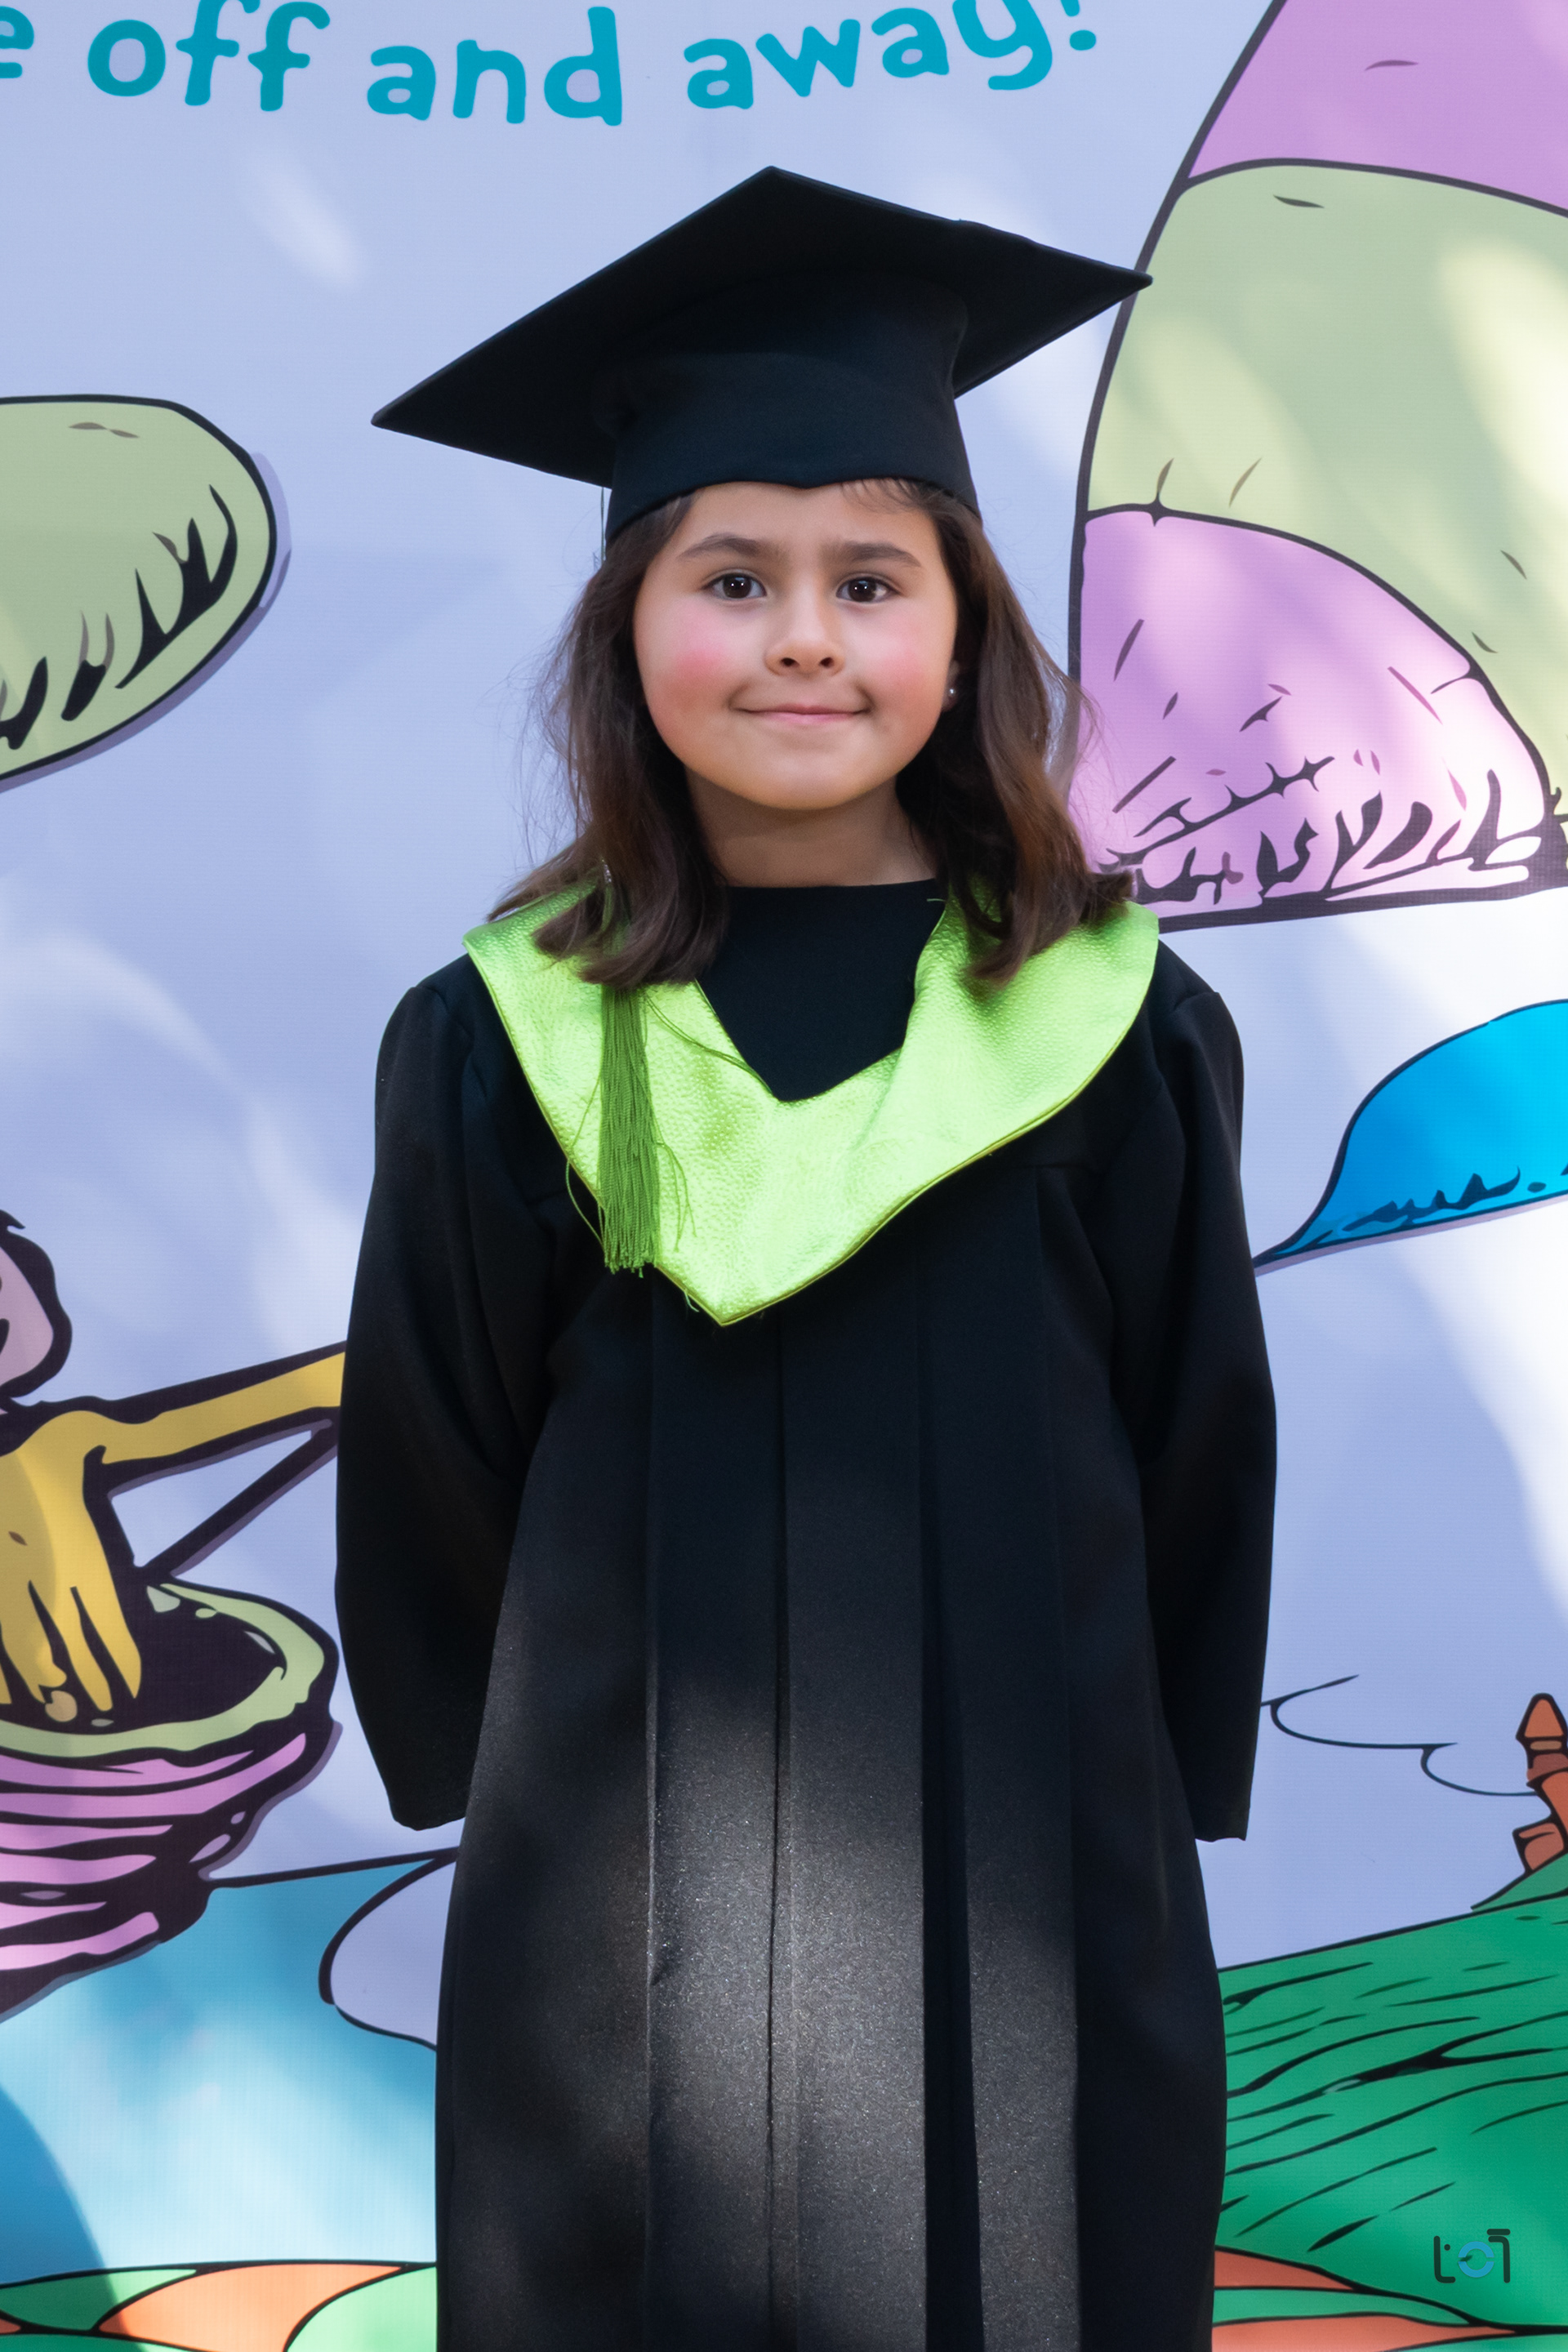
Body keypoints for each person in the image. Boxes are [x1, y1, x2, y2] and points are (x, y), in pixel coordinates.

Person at [336, 168, 1276, 2352]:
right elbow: (437, 1453)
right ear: (625, 627)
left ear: (963, 635)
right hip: (620, 1863)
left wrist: (1142, 1789)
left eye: (872, 580)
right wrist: (516, 1774)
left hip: (1032, 1852)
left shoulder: (1117, 1023)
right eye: (732, 577)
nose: (803, 638)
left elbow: (1193, 1437)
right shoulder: (503, 1035)